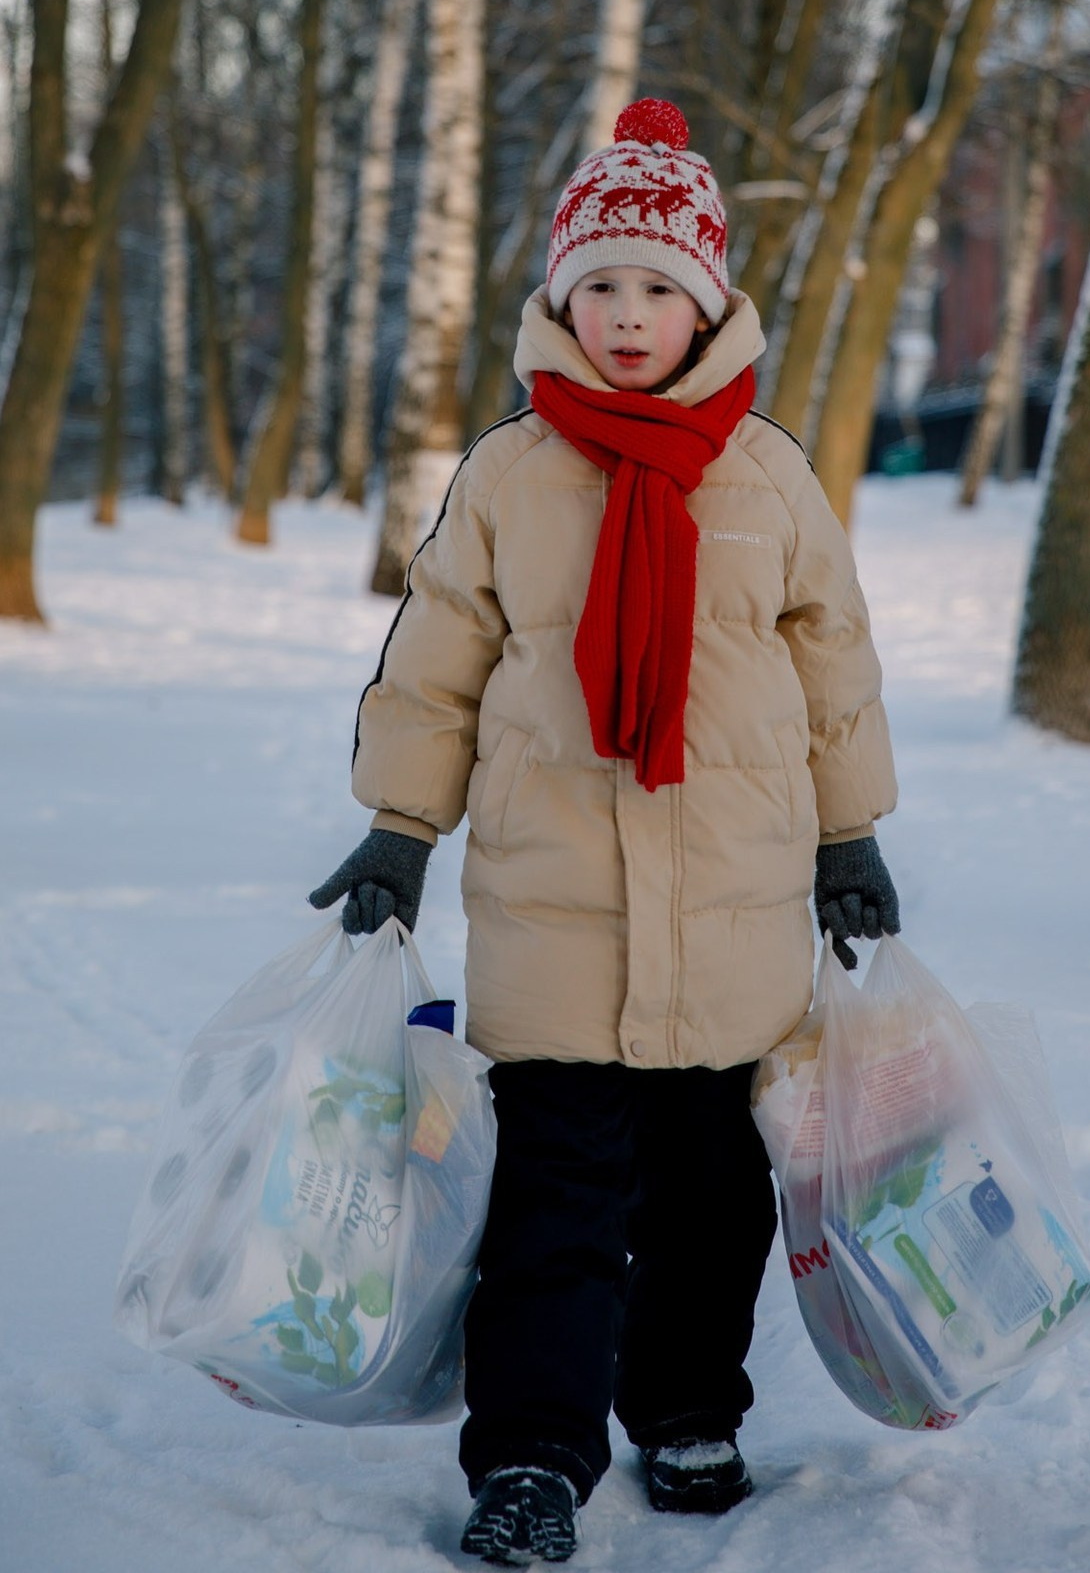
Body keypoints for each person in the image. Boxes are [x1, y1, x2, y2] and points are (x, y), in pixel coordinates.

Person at [310, 97, 899, 1566]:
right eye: (603, 285)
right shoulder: (511, 472)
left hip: (734, 920)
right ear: (561, 295)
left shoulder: (763, 472)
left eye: (659, 288)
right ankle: (530, 1459)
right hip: (554, 920)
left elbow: (834, 670)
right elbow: (436, 661)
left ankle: (689, 1409)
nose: (629, 316)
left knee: (713, 1205)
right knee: (553, 1212)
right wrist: (400, 827)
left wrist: (851, 837)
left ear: (706, 303)